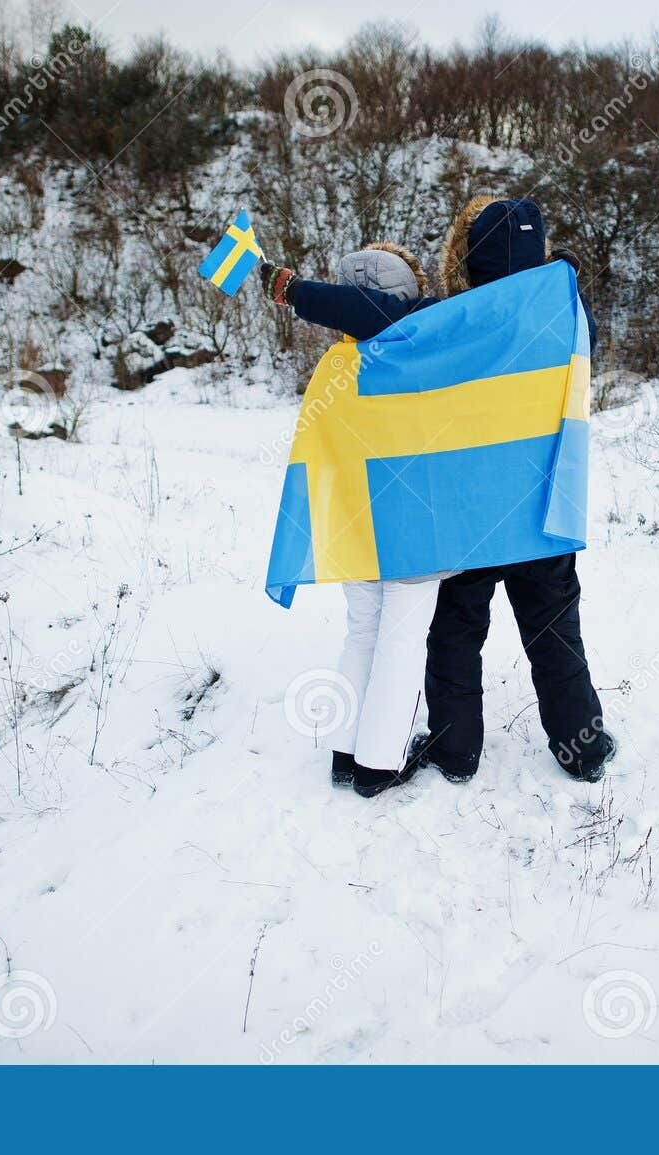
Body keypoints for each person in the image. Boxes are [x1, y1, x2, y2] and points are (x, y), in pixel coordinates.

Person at [259, 198, 614, 787]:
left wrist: (290, 288)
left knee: (455, 638)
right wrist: (561, 275)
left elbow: (371, 313)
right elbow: (583, 331)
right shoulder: (567, 314)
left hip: (468, 518)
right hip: (542, 515)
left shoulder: (458, 318)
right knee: (555, 636)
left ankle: (455, 752)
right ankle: (584, 749)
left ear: (467, 260)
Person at [261, 243, 442, 798]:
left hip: (356, 523)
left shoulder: (338, 363)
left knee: (363, 633)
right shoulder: (420, 345)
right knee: (402, 641)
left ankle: (345, 751)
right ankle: (379, 765)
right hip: (412, 526)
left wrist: (298, 290)